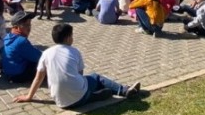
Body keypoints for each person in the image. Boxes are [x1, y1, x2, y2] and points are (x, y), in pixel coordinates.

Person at [13, 24, 141, 108]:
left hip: (60, 101)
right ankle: (123, 90)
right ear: (68, 38)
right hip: (79, 97)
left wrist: (29, 97)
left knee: (86, 84)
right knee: (96, 78)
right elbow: (80, 75)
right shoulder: (74, 51)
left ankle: (97, 94)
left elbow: (38, 78)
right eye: (72, 36)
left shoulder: (46, 53)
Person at [1, 11, 42, 83]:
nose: (29, 28)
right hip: (18, 75)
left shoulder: (8, 36)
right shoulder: (21, 41)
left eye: (29, 24)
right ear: (16, 27)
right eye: (25, 25)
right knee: (44, 63)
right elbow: (39, 57)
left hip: (7, 73)